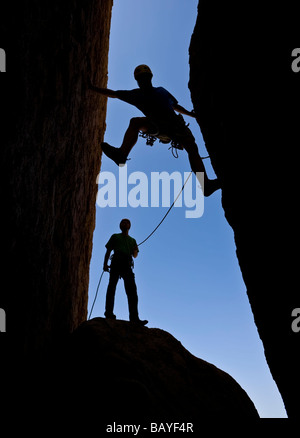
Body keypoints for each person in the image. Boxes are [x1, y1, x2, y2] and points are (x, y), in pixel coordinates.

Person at [89, 64, 220, 197]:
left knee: (192, 150)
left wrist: (192, 115)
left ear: (146, 79)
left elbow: (174, 106)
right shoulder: (148, 93)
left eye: (143, 78)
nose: (143, 81)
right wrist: (93, 88)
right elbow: (114, 94)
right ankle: (121, 155)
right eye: (142, 79)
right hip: (165, 127)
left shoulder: (145, 93)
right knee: (137, 122)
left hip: (171, 127)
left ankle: (206, 185)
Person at [103, 218, 148, 326]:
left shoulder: (132, 241)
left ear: (129, 226)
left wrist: (135, 249)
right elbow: (108, 250)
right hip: (116, 262)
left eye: (126, 222)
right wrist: (104, 264)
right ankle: (109, 313)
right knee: (111, 287)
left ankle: (134, 317)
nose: (124, 223)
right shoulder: (115, 236)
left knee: (132, 291)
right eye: (122, 222)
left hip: (127, 264)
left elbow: (135, 255)